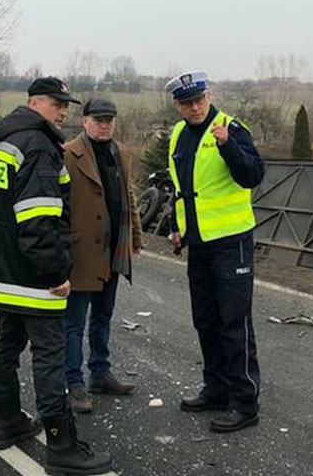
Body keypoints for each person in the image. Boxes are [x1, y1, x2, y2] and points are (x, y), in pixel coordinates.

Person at [0, 77, 111, 475]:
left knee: (7, 344)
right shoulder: (38, 146)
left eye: (66, 104)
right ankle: (61, 444)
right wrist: (56, 272)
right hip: (32, 272)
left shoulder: (6, 138)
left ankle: (9, 421)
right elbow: (39, 218)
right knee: (50, 355)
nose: (63, 110)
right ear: (35, 103)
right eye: (56, 103)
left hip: (2, 267)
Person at [166, 71, 265, 434]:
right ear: (177, 105)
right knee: (206, 320)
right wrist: (177, 227)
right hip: (199, 242)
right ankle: (216, 388)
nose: (194, 107)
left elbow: (253, 175)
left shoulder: (230, 128)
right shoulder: (178, 134)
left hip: (232, 242)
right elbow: (183, 188)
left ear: (209, 95)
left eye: (199, 99)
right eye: (186, 102)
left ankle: (244, 402)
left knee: (233, 323)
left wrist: (228, 146)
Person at [62, 98, 144, 414]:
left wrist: (135, 235)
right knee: (73, 322)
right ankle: (74, 382)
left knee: (103, 315)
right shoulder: (68, 153)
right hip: (81, 250)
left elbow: (130, 195)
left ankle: (99, 371)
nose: (104, 124)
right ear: (85, 121)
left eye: (109, 119)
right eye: (98, 119)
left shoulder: (120, 153)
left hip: (113, 248)